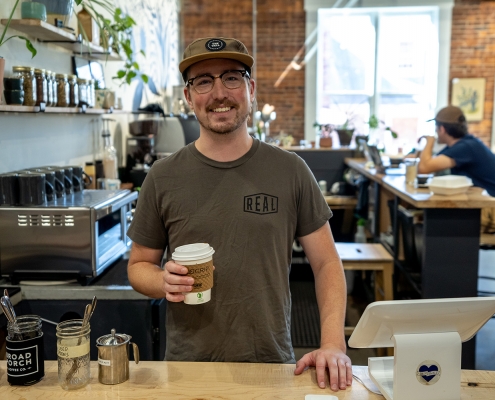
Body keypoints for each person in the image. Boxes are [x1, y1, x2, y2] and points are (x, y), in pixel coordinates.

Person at [126, 36, 352, 391]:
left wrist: (332, 344)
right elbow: (138, 266)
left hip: (271, 366)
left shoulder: (290, 170)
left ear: (251, 89)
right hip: (188, 370)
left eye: (232, 77)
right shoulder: (163, 176)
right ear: (188, 96)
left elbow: (326, 263)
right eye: (203, 81)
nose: (219, 93)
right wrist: (162, 281)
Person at [417, 105, 495, 232]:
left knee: (437, 223)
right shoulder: (461, 145)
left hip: (490, 207)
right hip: (484, 203)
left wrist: (430, 141)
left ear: (442, 129)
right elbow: (429, 163)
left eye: (436, 128)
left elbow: (424, 168)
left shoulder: (466, 147)